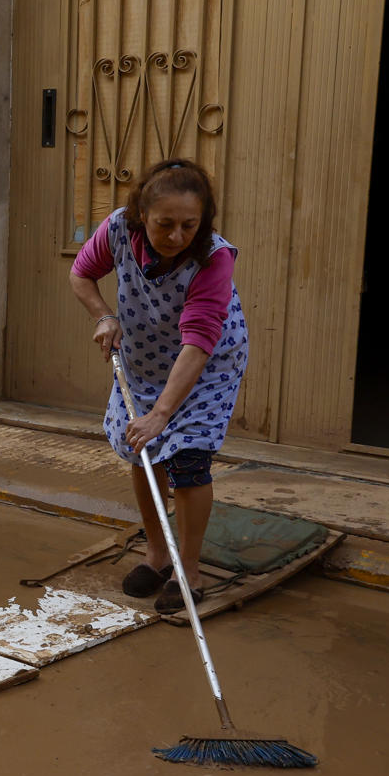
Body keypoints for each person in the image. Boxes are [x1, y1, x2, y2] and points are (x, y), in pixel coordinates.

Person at [69, 159, 248, 612]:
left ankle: (189, 567)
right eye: (164, 224)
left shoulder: (213, 257)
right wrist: (103, 316)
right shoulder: (117, 229)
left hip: (205, 363)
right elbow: (81, 273)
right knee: (143, 451)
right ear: (142, 215)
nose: (176, 236)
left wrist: (162, 413)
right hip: (145, 355)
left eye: (189, 225)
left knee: (188, 459)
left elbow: (199, 341)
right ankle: (157, 554)